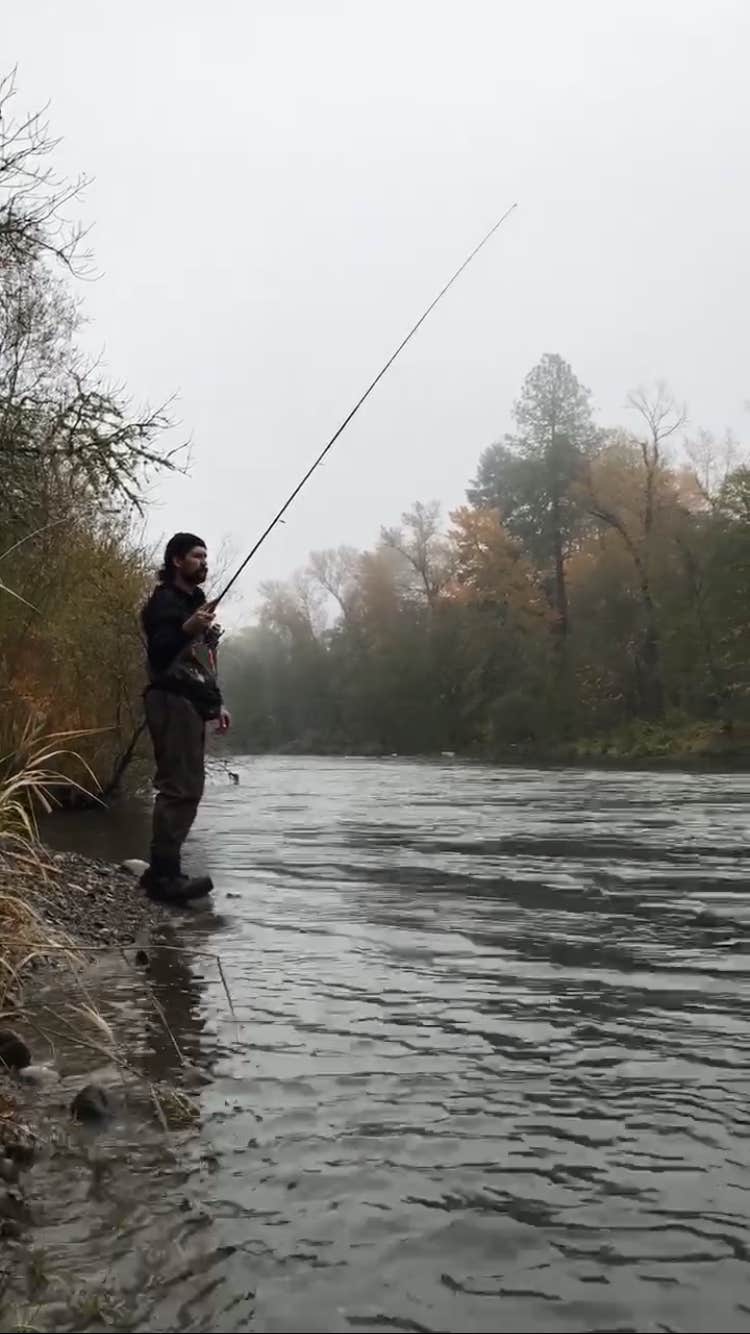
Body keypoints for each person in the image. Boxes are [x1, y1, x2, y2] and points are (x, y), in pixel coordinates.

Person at [140, 533, 230, 902]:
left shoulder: (193, 604)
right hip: (171, 701)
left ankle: (161, 873)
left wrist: (215, 705)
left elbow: (200, 667)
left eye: (206, 556)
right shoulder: (164, 603)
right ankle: (164, 877)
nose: (204, 562)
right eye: (197, 556)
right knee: (179, 788)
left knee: (189, 788)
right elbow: (161, 655)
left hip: (189, 703)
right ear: (177, 561)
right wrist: (186, 629)